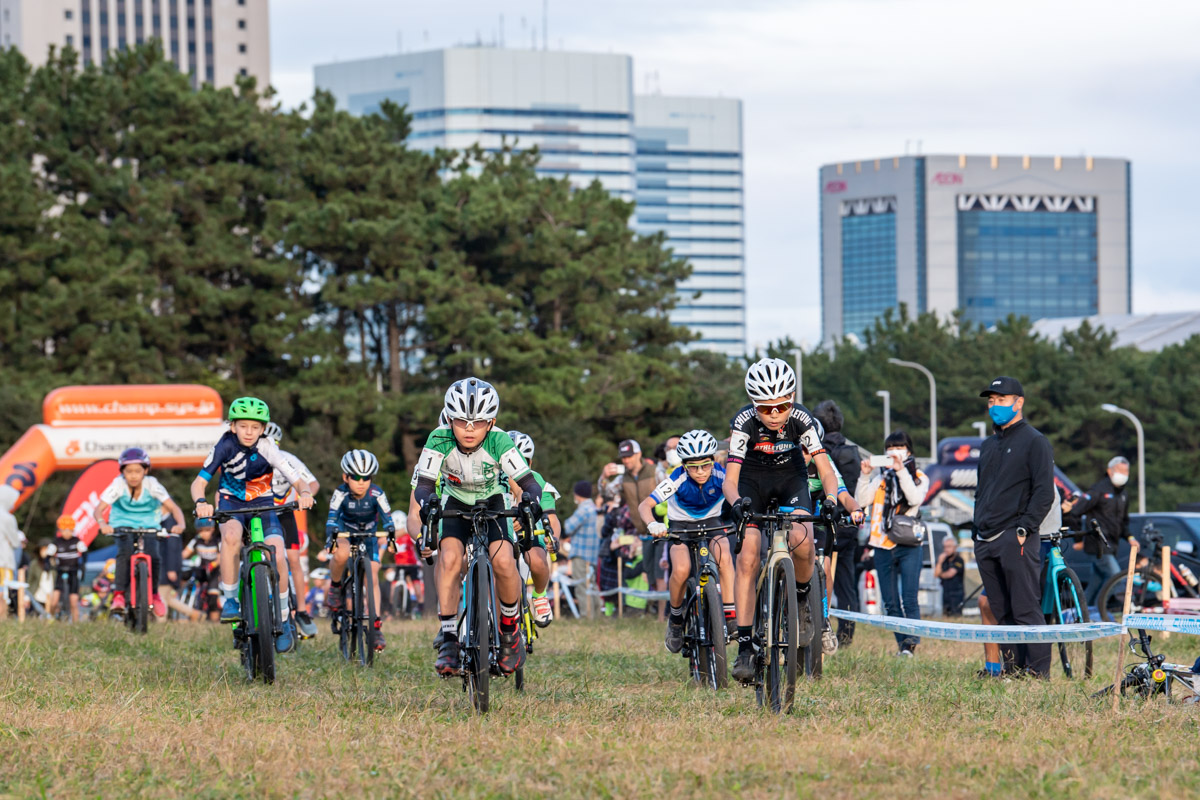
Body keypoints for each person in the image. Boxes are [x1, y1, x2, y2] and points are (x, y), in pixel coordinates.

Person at [723, 358, 844, 683]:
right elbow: (730, 479)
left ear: (791, 398)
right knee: (748, 555)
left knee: (804, 539)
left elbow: (826, 469)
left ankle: (803, 599)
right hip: (752, 482)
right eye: (766, 408)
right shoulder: (743, 423)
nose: (775, 414)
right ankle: (746, 645)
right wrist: (736, 504)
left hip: (791, 479)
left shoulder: (802, 419)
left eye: (782, 405)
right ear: (754, 405)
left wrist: (831, 500)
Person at [414, 378, 543, 677]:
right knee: (448, 558)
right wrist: (428, 501)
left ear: (492, 423)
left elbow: (527, 481)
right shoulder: (438, 439)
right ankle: (448, 638)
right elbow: (423, 485)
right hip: (455, 502)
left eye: (479, 423)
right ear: (449, 419)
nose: (469, 429)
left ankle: (509, 632)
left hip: (493, 502)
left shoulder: (500, 441)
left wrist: (532, 499)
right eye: (461, 421)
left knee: (503, 561)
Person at [191, 397, 316, 654]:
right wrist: (201, 502)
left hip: (263, 502)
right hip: (232, 503)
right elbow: (198, 483)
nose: (249, 432)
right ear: (232, 425)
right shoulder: (224, 445)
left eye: (255, 427)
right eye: (243, 426)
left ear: (263, 429)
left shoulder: (268, 447)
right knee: (231, 538)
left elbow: (297, 479)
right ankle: (230, 601)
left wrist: (304, 493)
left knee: (278, 553)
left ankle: (283, 620)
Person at [973, 376, 1055, 678]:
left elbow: (1044, 491)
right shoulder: (988, 445)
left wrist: (1024, 529)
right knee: (1000, 609)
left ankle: (1038, 672)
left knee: (1025, 608)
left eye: (1001, 400)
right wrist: (975, 531)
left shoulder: (1035, 441)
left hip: (1015, 536)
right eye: (991, 401)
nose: (994, 406)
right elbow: (982, 490)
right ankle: (1012, 668)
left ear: (1018, 403)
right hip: (985, 538)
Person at [639, 430, 737, 651]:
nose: (700, 472)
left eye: (705, 465)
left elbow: (738, 495)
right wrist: (652, 524)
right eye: (693, 467)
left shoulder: (722, 475)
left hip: (713, 521)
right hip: (681, 526)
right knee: (682, 569)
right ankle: (675, 620)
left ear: (713, 461)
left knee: (724, 557)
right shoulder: (677, 477)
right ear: (684, 465)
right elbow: (644, 505)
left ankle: (730, 616)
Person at [856, 431, 930, 656]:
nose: (894, 452)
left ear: (909, 451)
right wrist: (865, 476)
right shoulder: (881, 478)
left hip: (908, 545)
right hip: (881, 545)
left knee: (909, 598)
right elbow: (861, 502)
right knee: (890, 603)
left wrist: (900, 471)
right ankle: (903, 646)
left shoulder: (919, 476)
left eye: (899, 447)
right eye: (890, 448)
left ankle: (911, 645)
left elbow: (914, 498)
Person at [98, 448, 187, 619]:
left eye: (138, 471)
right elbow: (98, 509)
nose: (133, 475)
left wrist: (181, 524)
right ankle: (118, 594)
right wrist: (102, 523)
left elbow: (173, 507)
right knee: (124, 554)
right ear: (122, 472)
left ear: (145, 470)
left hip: (149, 523)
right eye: (129, 471)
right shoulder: (118, 484)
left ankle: (154, 594)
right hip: (121, 523)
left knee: (154, 556)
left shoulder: (152, 484)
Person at [325, 449, 396, 651]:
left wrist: (390, 531)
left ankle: (375, 625)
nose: (361, 482)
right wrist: (332, 534)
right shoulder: (340, 493)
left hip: (369, 536)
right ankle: (336, 587)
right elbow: (331, 518)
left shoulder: (377, 493)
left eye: (367, 478)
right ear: (345, 477)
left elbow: (387, 518)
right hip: (345, 533)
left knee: (372, 572)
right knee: (341, 553)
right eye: (356, 477)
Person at [812, 399, 866, 647]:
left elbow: (839, 487)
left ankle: (823, 623)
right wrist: (855, 510)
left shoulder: (823, 454)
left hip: (824, 517)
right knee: (845, 581)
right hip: (843, 522)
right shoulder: (853, 452)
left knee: (825, 570)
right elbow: (850, 491)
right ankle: (844, 634)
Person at [263, 422, 322, 640]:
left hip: (285, 513)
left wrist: (305, 497)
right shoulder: (252, 459)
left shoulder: (289, 459)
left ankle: (302, 611)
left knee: (294, 560)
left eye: (274, 442)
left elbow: (312, 483)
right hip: (259, 513)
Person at [1062, 456, 1137, 605]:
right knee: (1116, 578)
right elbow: (1074, 512)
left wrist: (1130, 537)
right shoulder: (1098, 490)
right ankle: (1132, 608)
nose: (1124, 474)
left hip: (1112, 545)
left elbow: (1123, 521)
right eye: (1120, 471)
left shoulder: (1123, 494)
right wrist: (1077, 539)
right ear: (1110, 471)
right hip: (1097, 545)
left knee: (1097, 584)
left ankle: (1087, 612)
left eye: (1126, 471)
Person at [506, 431, 561, 628]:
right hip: (501, 528)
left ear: (529, 464)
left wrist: (552, 537)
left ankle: (539, 595)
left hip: (528, 528)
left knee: (537, 560)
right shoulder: (492, 477)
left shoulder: (536, 479)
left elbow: (551, 515)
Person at [612, 440, 666, 621]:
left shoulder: (655, 472)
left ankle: (662, 616)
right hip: (642, 534)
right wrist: (603, 477)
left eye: (629, 456)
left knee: (660, 574)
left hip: (660, 529)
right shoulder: (622, 478)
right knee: (649, 573)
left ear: (639, 454)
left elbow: (671, 491)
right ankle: (652, 611)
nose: (626, 460)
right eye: (623, 457)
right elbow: (606, 493)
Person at [562, 480, 602, 619]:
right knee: (591, 585)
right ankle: (597, 615)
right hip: (591, 554)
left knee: (582, 587)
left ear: (578, 494)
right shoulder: (593, 508)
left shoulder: (584, 509)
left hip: (581, 554)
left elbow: (568, 526)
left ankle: (587, 616)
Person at [46, 515, 87, 622]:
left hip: (73, 571)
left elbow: (84, 554)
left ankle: (75, 622)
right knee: (54, 599)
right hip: (60, 571)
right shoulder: (56, 542)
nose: (66, 533)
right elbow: (48, 555)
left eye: (69, 530)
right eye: (63, 530)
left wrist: (82, 567)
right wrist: (48, 565)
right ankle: (51, 619)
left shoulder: (76, 541)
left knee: (74, 601)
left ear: (72, 530)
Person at [182, 521, 222, 621]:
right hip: (201, 570)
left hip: (214, 571)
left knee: (213, 597)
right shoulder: (196, 540)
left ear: (212, 530)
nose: (204, 533)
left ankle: (214, 622)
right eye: (201, 531)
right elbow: (185, 553)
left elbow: (221, 557)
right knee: (188, 581)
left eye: (207, 530)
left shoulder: (217, 541)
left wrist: (214, 564)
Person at [935, 535, 965, 616]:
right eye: (945, 547)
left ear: (955, 547)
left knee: (956, 616)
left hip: (956, 593)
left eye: (949, 547)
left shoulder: (959, 560)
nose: (946, 549)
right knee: (946, 615)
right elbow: (936, 574)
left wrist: (941, 574)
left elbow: (950, 574)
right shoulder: (944, 560)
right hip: (945, 592)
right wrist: (940, 562)